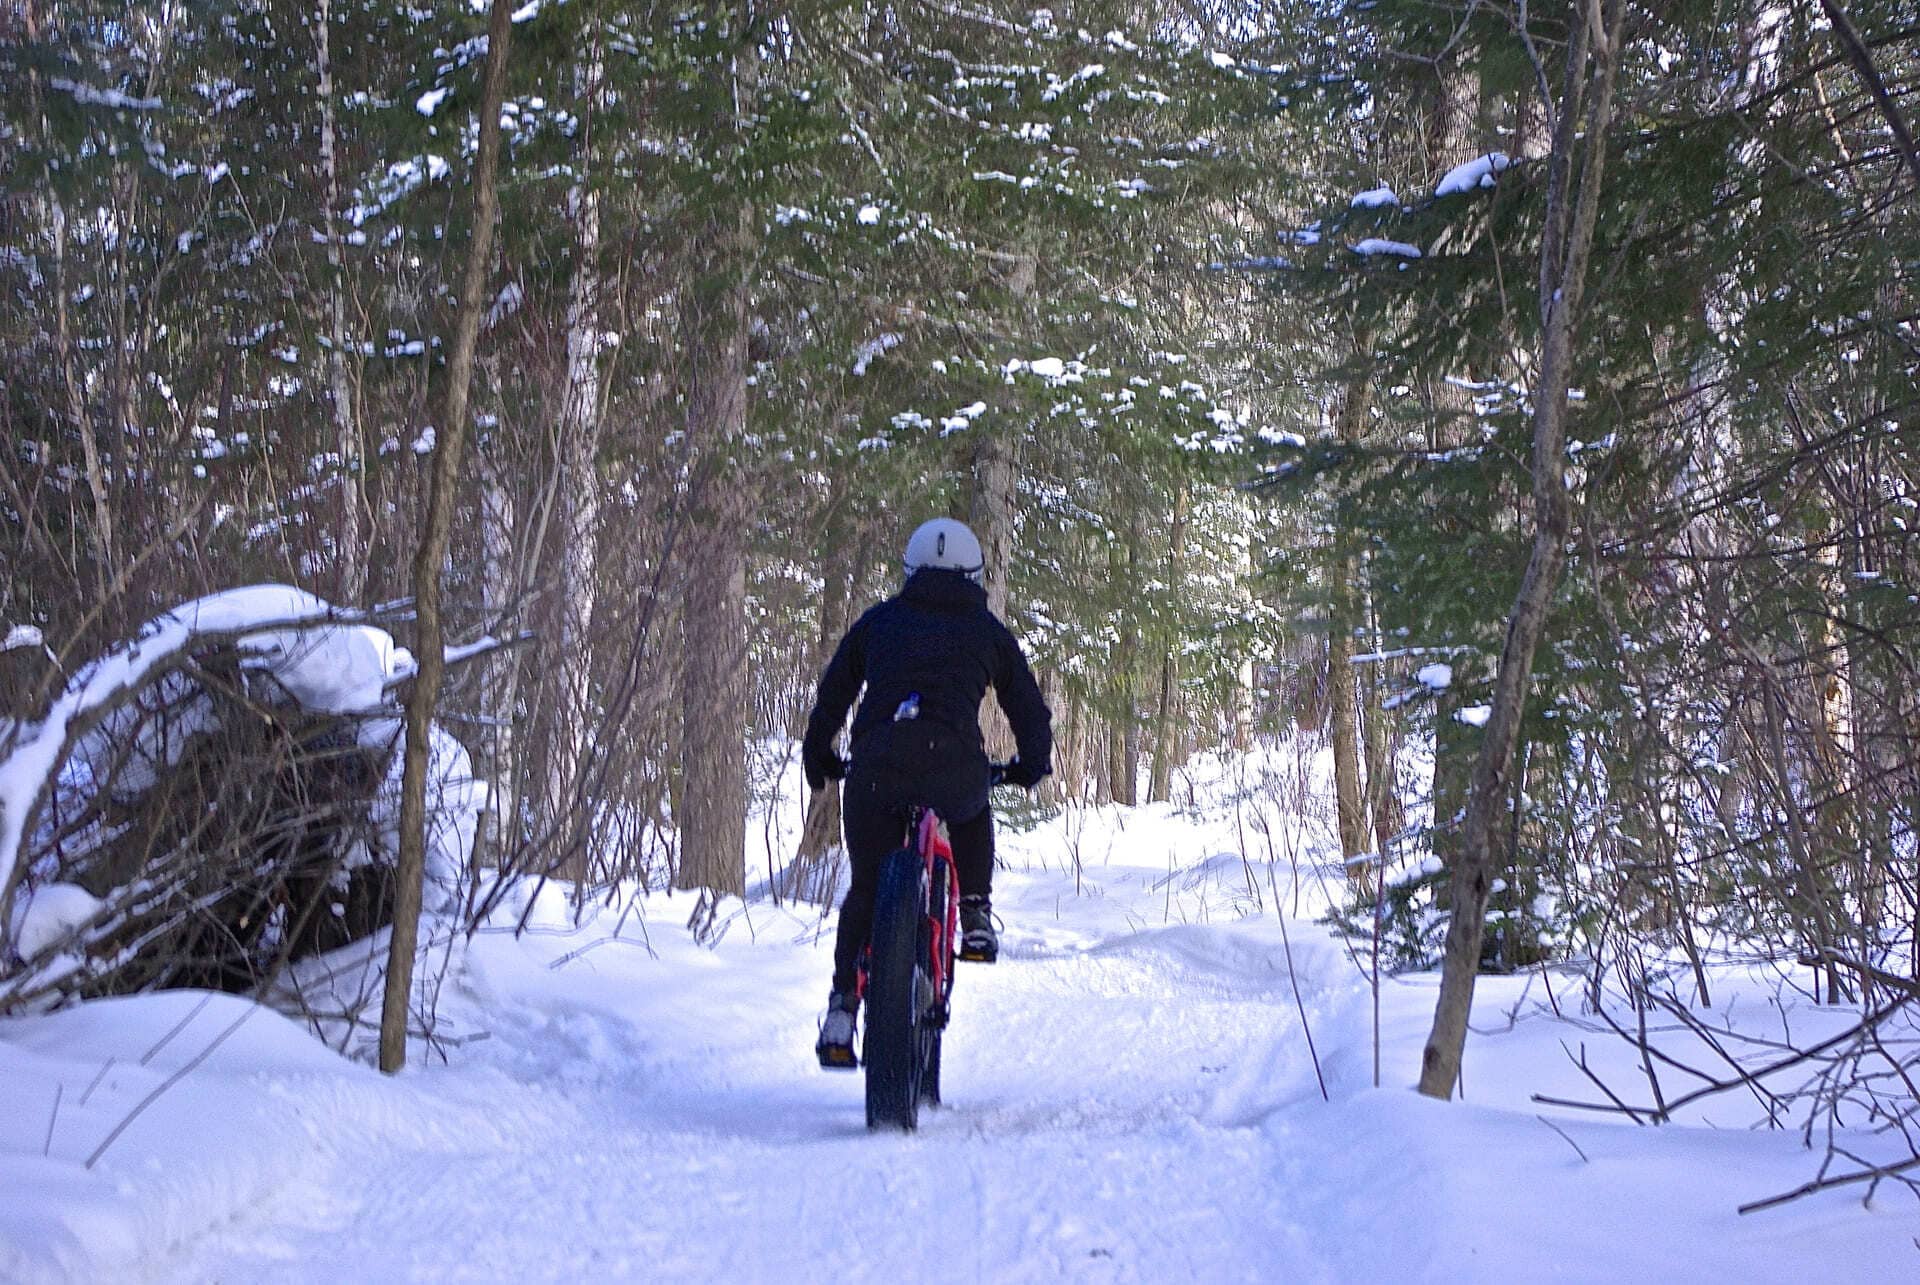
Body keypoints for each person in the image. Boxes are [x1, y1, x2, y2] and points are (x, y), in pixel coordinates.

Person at [802, 517, 1052, 1068]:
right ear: (975, 574)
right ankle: (976, 913)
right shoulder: (988, 632)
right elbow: (1028, 709)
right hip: (953, 764)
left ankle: (843, 1005)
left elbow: (834, 692)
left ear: (910, 569)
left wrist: (819, 752)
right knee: (971, 805)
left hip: (876, 768)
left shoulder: (879, 623)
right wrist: (1029, 765)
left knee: (867, 886)